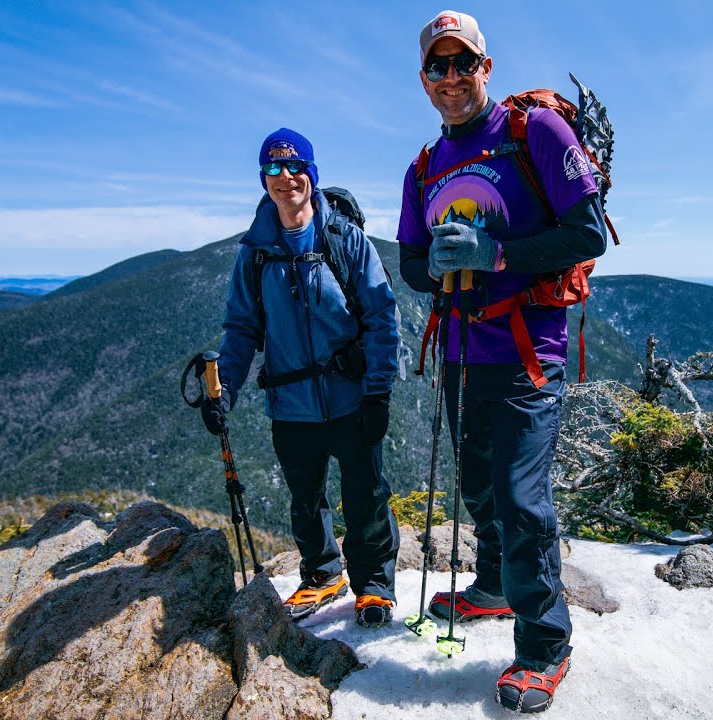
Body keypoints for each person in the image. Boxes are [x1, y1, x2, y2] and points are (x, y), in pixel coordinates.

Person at [396, 10, 607, 714]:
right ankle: (492, 588)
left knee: (521, 502)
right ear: (424, 79)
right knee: (482, 490)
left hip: (526, 353)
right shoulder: (424, 167)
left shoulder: (534, 134)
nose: (451, 77)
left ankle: (545, 646)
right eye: (438, 66)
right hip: (460, 352)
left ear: (486, 68)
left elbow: (586, 232)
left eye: (463, 63)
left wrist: (497, 256)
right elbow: (411, 265)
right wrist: (440, 266)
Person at [202, 128, 401, 627]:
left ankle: (373, 583)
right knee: (306, 498)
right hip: (290, 402)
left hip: (351, 396)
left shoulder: (344, 239)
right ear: (263, 179)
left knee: (365, 494)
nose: (285, 178)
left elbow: (382, 316)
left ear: (311, 174)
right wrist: (224, 390)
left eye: (295, 168)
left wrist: (378, 390)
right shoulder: (256, 252)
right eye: (273, 169)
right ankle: (321, 575)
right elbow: (242, 328)